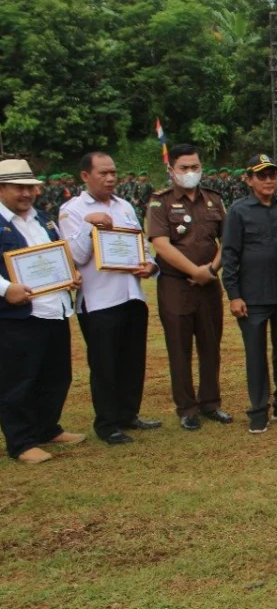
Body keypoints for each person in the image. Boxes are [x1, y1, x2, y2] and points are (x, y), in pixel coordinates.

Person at [59, 152, 160, 445]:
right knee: (105, 364)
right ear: (85, 176)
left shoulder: (125, 206)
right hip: (99, 300)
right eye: (103, 173)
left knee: (133, 360)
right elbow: (74, 257)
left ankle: (129, 414)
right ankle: (107, 423)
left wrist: (150, 265)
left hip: (131, 296)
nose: (110, 178)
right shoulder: (73, 210)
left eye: (113, 172)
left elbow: (141, 244)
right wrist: (91, 226)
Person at [0, 160, 85, 464]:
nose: (27, 193)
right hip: (18, 316)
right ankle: (21, 442)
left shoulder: (44, 220)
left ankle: (48, 427)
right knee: (19, 380)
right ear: (2, 188)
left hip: (54, 310)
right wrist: (4, 288)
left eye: (29, 187)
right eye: (18, 187)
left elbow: (57, 257)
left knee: (56, 375)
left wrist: (71, 275)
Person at [221, 154, 277, 434]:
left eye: (272, 175)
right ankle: (259, 410)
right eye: (262, 175)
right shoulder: (238, 210)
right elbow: (230, 254)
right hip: (253, 296)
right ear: (249, 179)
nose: (269, 180)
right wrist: (234, 294)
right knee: (256, 355)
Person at [146, 144, 233, 430]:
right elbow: (160, 244)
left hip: (209, 284)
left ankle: (211, 403)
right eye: (184, 168)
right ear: (171, 170)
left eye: (195, 167)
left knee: (211, 346)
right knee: (179, 348)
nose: (190, 172)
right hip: (176, 285)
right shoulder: (160, 203)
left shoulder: (214, 200)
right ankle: (186, 408)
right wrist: (194, 270)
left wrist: (210, 270)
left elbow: (227, 241)